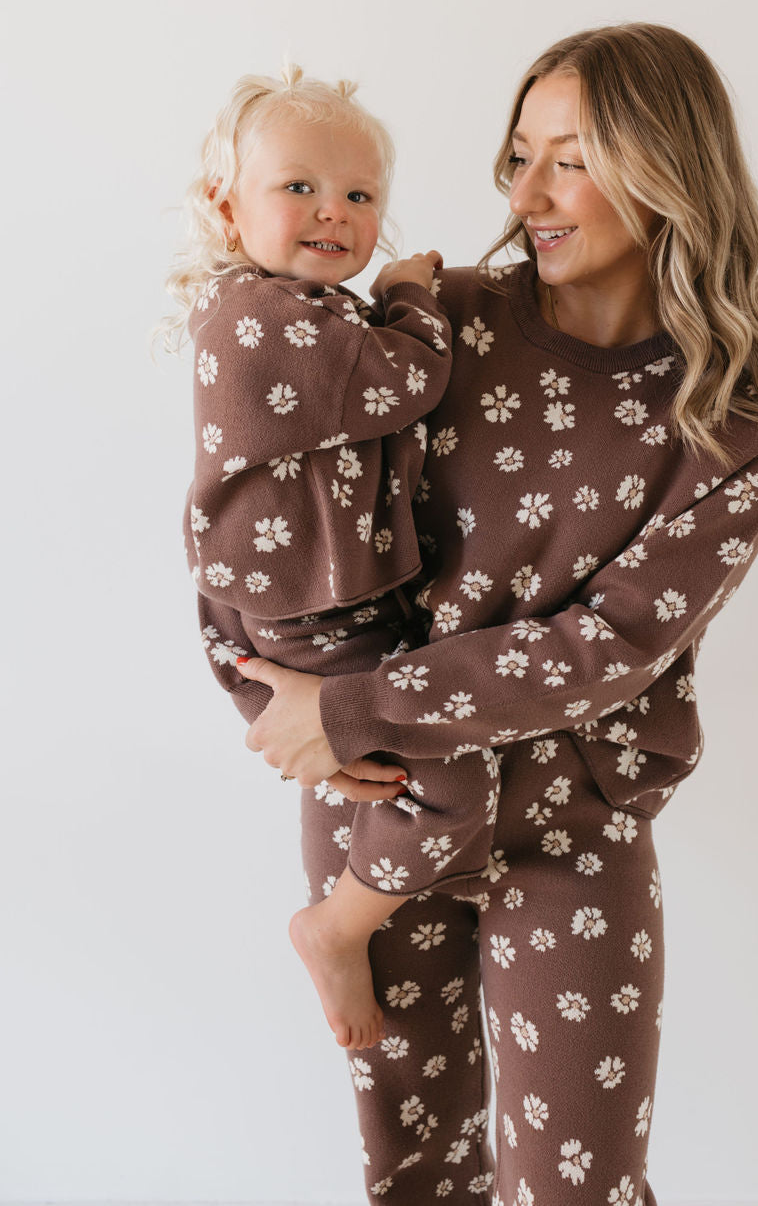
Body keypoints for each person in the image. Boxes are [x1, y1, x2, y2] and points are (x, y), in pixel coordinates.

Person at [234, 24, 758, 1205]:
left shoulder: (743, 410)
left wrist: (348, 705)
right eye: (518, 155)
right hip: (390, 807)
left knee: (579, 1186)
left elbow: (611, 645)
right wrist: (258, 686)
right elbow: (269, 502)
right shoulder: (427, 327)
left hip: (572, 828)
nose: (529, 193)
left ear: (669, 169)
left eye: (570, 157)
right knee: (418, 1175)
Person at [165, 66, 501, 1051]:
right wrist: (411, 293)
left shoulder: (290, 310)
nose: (333, 212)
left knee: (340, 766)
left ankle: (344, 887)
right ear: (227, 208)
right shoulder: (265, 313)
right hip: (312, 602)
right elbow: (406, 379)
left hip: (268, 593)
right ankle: (337, 924)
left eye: (360, 196)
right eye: (299, 187)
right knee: (449, 781)